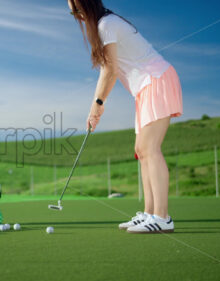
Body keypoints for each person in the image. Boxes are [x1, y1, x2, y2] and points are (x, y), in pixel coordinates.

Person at [68, 0, 183, 233]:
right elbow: (106, 69)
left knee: (150, 148)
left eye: (78, 10)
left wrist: (98, 104)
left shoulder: (106, 24)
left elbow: (110, 70)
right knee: (141, 151)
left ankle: (162, 217)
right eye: (73, 13)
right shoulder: (104, 28)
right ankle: (150, 213)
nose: (78, 17)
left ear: (88, 6)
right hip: (143, 89)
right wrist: (96, 106)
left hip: (156, 79)